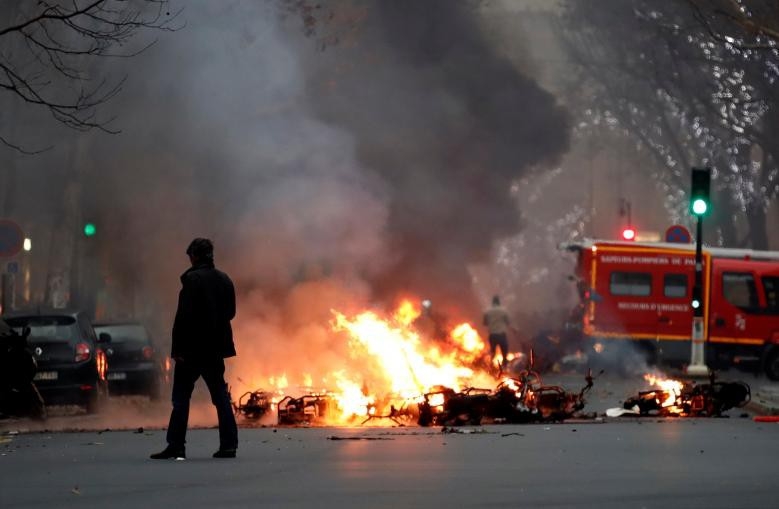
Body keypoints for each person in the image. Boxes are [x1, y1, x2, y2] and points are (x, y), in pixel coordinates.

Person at [151, 238, 239, 460]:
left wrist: (178, 350)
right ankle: (229, 445)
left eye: (190, 255)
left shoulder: (192, 280)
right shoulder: (225, 279)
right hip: (215, 350)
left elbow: (184, 318)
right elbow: (230, 313)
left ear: (196, 256)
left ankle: (176, 445)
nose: (189, 258)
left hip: (191, 351)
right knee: (220, 397)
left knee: (180, 399)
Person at [483, 295, 510, 371]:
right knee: (504, 353)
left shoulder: (487, 311)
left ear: (492, 302)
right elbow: (507, 322)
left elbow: (485, 323)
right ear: (499, 302)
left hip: (492, 335)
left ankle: (491, 369)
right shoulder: (503, 310)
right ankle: (504, 368)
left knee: (493, 352)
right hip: (501, 334)